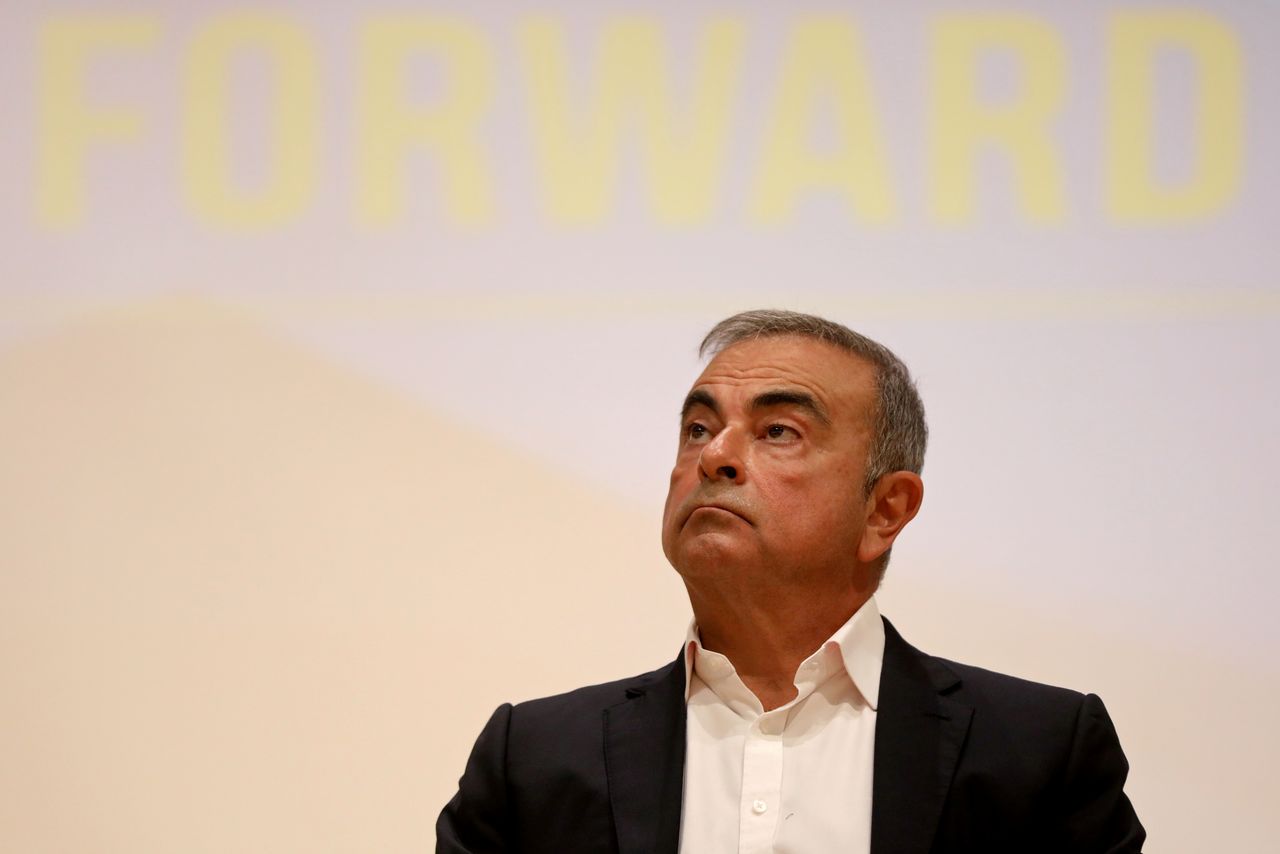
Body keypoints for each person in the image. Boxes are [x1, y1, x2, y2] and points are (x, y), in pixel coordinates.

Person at [437, 309, 1145, 853]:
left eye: (777, 431)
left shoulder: (1039, 755)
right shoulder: (532, 759)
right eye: (696, 429)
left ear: (885, 509)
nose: (715, 455)